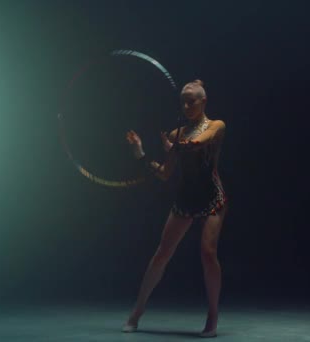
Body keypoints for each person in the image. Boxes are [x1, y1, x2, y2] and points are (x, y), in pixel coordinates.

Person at [123, 80, 227, 338]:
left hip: (212, 196)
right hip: (186, 198)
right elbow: (166, 174)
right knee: (161, 254)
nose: (187, 105)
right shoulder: (175, 134)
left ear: (203, 101)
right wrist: (142, 156)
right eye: (183, 101)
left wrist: (176, 147)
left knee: (208, 252)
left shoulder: (216, 126)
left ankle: (212, 316)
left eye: (192, 100)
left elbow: (202, 141)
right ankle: (137, 312)